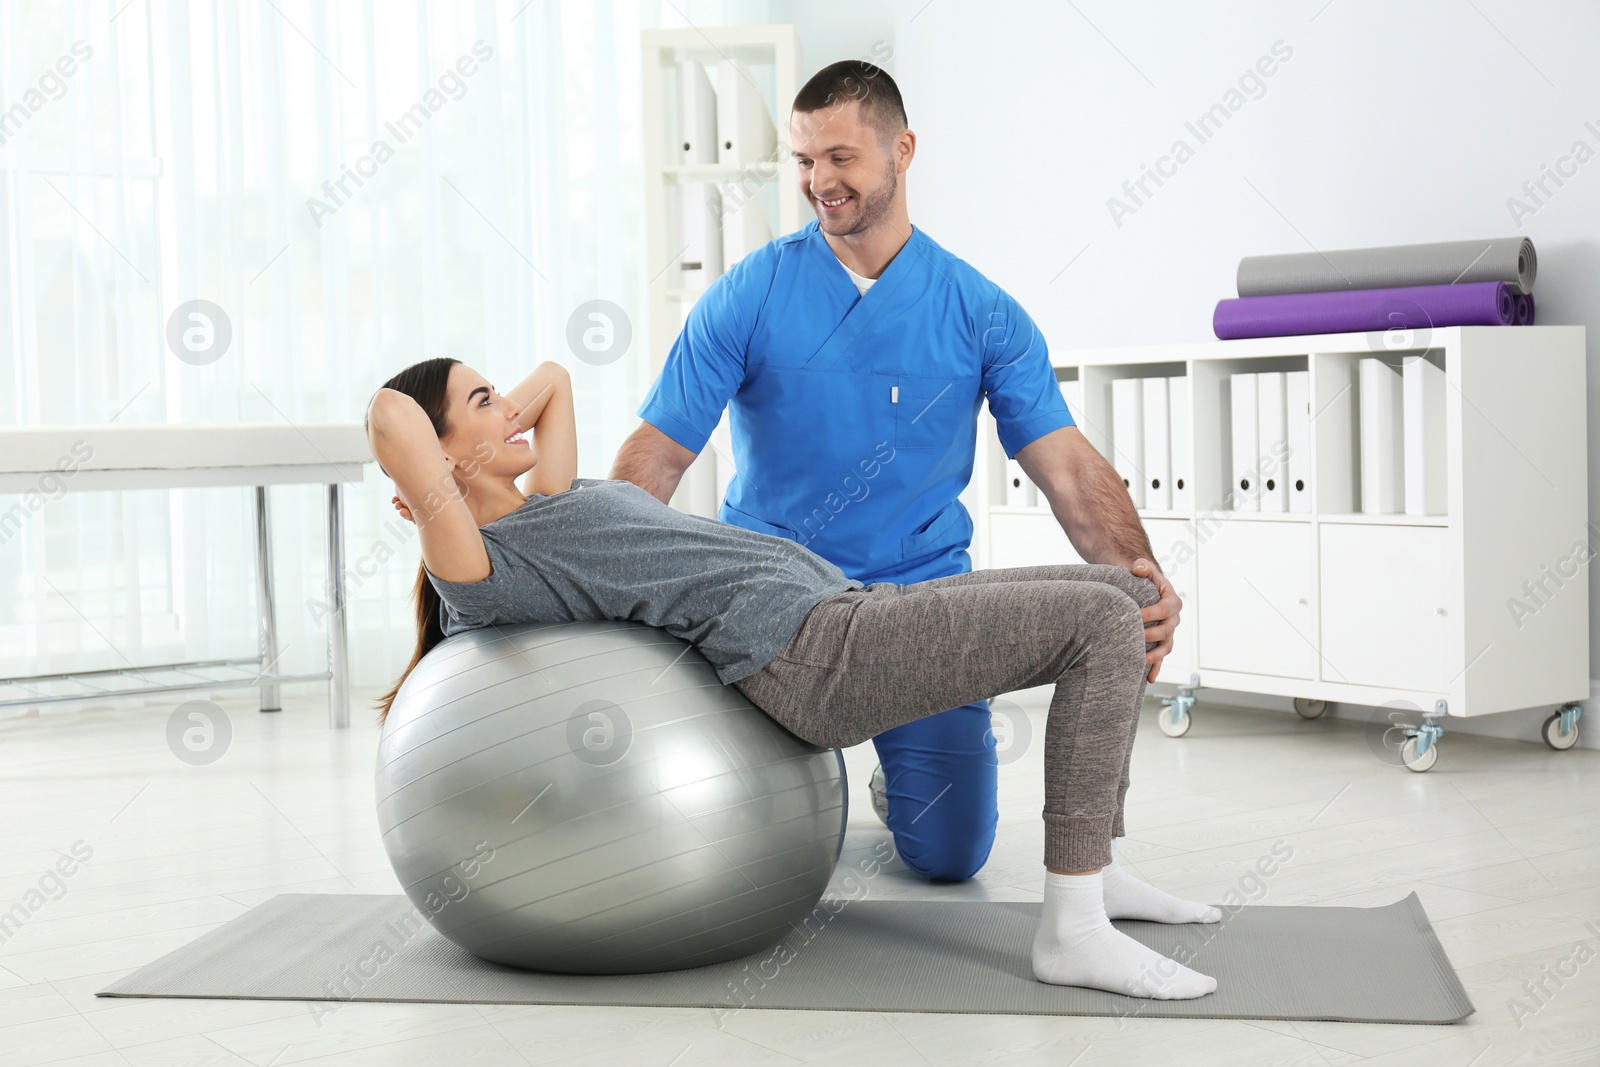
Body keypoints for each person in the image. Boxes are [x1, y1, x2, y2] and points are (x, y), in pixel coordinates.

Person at [364, 356, 1218, 1000]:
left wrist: (487, 425)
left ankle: (1095, 865)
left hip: (846, 607)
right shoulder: (482, 566)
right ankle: (1072, 928)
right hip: (809, 655)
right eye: (480, 405)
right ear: (429, 469)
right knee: (1099, 621)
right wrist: (434, 484)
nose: (509, 411)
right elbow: (390, 415)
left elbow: (553, 382)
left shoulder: (546, 497)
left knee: (1125, 592)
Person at [609, 59, 1186, 887]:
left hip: (919, 604)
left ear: (902, 149)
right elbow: (659, 452)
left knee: (951, 856)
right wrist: (602, 575)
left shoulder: (979, 310)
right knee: (739, 849)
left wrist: (1142, 575)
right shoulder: (750, 293)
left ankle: (893, 775)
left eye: (840, 157)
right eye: (804, 161)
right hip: (771, 601)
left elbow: (1065, 466)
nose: (818, 182)